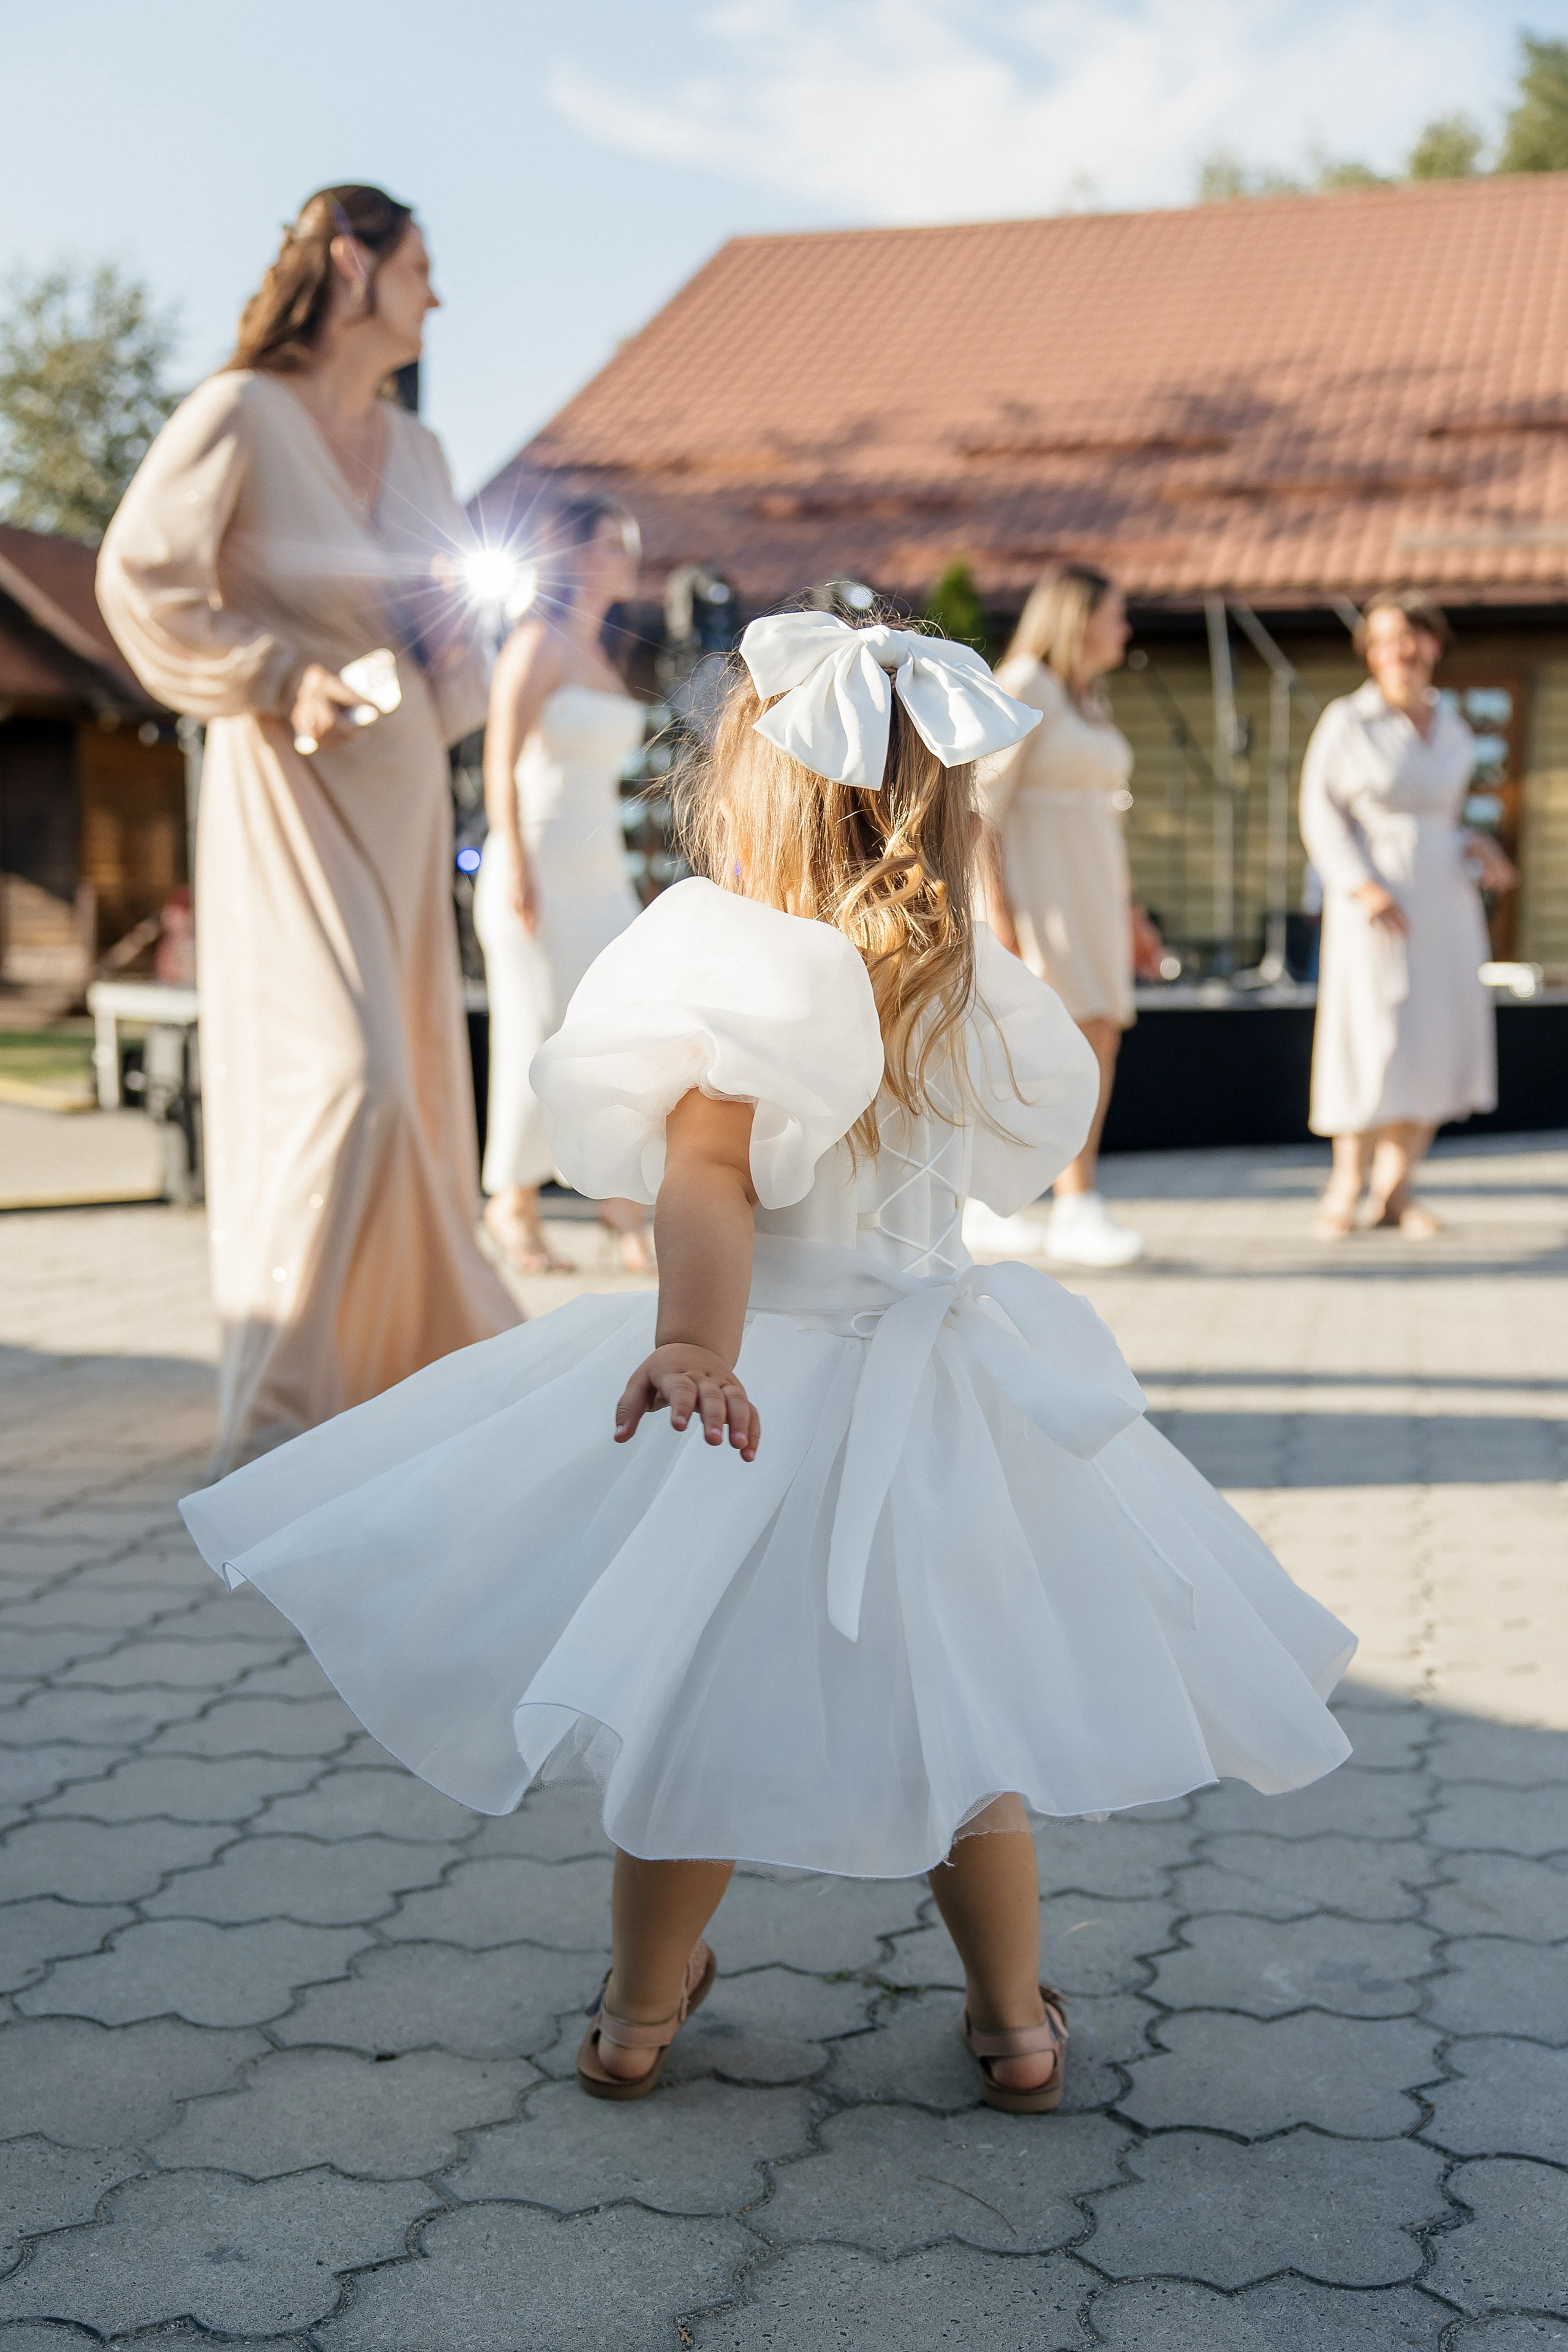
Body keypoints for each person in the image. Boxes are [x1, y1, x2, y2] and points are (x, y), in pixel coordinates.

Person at [181, 612, 1354, 2114]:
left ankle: (637, 2012)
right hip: (942, 1396)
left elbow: (708, 1180)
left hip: (763, 1389)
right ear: (942, 807)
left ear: (755, 795)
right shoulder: (962, 982)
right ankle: (1014, 2025)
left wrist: (689, 1341)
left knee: (690, 1710)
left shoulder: (736, 972)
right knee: (961, 1719)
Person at [98, 185, 518, 1475]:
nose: (437, 296)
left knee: (414, 1081)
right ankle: (283, 1404)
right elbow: (140, 580)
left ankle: (409, 1374)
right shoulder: (235, 415)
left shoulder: (426, 453)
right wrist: (278, 676)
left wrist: (461, 668)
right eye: (421, 266)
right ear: (354, 261)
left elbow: (449, 625)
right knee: (348, 1076)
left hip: (400, 788)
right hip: (285, 776)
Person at [473, 493, 652, 1273]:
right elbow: (498, 757)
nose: (628, 556)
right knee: (534, 1029)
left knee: (617, 1030)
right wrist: (512, 859)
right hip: (537, 862)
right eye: (614, 542)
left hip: (601, 868)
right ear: (576, 554)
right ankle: (511, 1204)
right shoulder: (536, 642)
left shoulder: (604, 655)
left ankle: (620, 1202)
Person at [1302, 590, 1515, 1237]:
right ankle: (1346, 1183)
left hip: (1444, 899)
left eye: (1414, 638)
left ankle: (1397, 1189)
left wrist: (1473, 843)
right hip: (1375, 899)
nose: (1403, 651)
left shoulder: (1450, 724)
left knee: (1434, 1034)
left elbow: (1437, 818)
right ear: (1370, 649)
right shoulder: (1348, 721)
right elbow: (1320, 813)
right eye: (1389, 638)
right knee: (1370, 1034)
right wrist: (1358, 885)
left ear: (1433, 646)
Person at [973, 566, 1160, 1268]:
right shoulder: (1025, 683)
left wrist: (1132, 913)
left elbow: (1103, 816)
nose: (1125, 628)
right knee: (1042, 1047)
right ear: (1076, 618)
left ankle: (1075, 1202)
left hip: (1093, 890)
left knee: (1099, 1037)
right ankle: (1010, 1201)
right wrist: (998, 915)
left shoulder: (1089, 698)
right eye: (1115, 614)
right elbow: (980, 808)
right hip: (1037, 890)